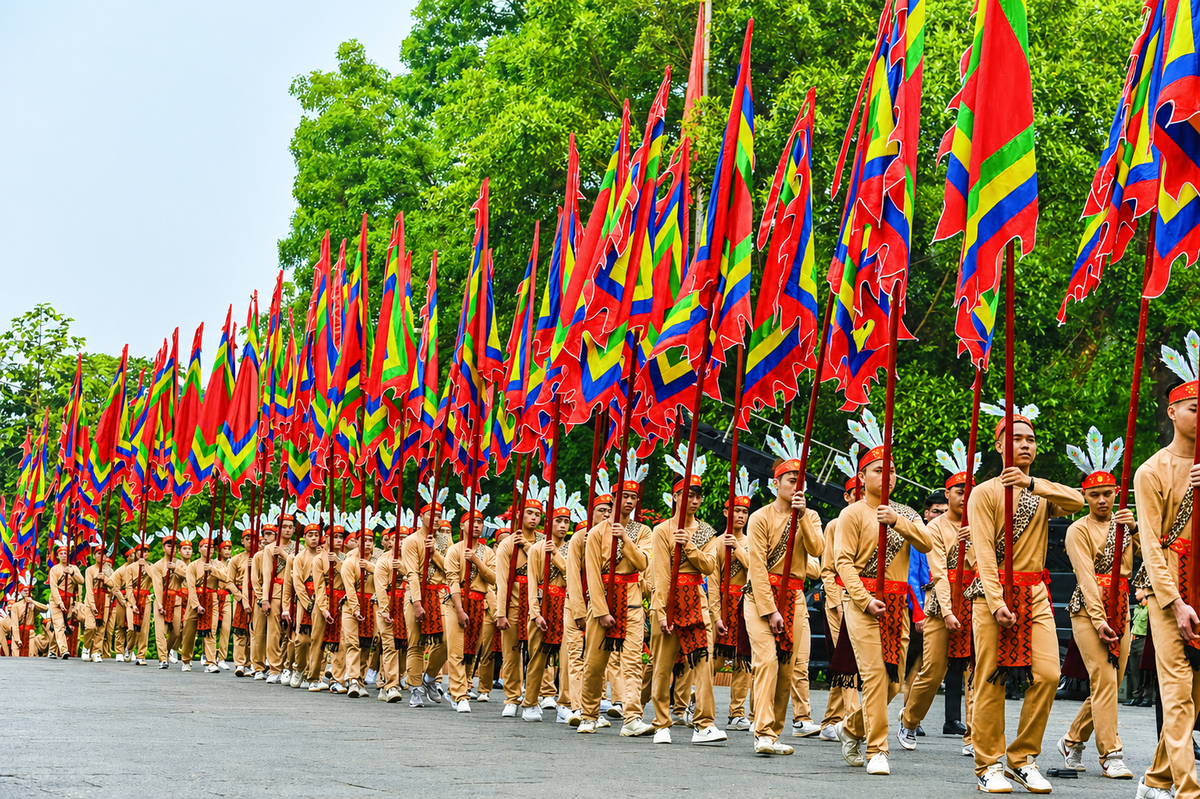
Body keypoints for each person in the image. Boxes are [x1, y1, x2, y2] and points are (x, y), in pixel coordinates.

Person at [967, 400, 1084, 793]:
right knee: (990, 679)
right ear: (999, 446)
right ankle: (987, 764)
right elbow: (983, 551)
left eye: (1031, 439)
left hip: (1034, 591)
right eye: (1016, 438)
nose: (1025, 445)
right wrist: (997, 600)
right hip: (992, 592)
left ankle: (1022, 757)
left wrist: (1032, 484)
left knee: (1050, 673)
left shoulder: (1039, 492)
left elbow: (1078, 501)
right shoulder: (983, 493)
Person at [832, 412, 932, 776]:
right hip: (862, 601)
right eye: (877, 470)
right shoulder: (852, 514)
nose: (885, 476)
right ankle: (878, 748)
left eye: (890, 470)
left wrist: (899, 522)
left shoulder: (903, 512)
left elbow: (928, 542)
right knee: (874, 676)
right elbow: (842, 562)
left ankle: (851, 727)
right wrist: (863, 598)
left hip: (897, 604)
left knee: (892, 683)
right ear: (862, 477)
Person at [1134, 333, 1200, 799]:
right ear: (1173, 412)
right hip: (1169, 585)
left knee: (1192, 695)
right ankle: (1188, 789)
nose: (1199, 414)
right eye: (1192, 406)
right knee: (1176, 690)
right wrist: (1174, 601)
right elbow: (1153, 547)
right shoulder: (1152, 470)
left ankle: (1156, 778)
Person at [1053, 428, 1138, 779]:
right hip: (1089, 608)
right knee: (1102, 678)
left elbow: (1143, 565)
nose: (1102, 501)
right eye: (1094, 495)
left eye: (1107, 494)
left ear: (1117, 493)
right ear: (1084, 497)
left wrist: (1135, 531)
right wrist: (1100, 617)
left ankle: (1072, 740)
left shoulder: (1125, 525)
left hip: (1124, 604)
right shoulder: (1078, 530)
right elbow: (1086, 578)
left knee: (1110, 683)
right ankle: (1112, 754)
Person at [745, 432, 823, 756]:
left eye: (801, 481)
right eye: (791, 480)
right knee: (766, 662)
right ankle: (762, 731)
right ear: (777, 483)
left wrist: (803, 517)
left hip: (794, 598)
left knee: (788, 666)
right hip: (760, 598)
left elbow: (818, 550)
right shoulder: (760, 517)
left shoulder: (811, 516)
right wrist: (770, 609)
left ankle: (773, 732)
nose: (797, 486)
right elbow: (758, 567)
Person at [897, 442, 977, 755]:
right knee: (933, 670)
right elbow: (939, 573)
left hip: (974, 601)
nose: (964, 496)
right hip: (940, 605)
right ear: (948, 494)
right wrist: (947, 611)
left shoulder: (981, 523)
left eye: (969, 490)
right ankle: (910, 719)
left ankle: (974, 735)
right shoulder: (934, 527)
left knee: (976, 671)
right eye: (959, 490)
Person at [648, 449, 727, 746]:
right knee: (663, 665)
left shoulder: (706, 531)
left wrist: (690, 547)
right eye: (688, 494)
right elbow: (660, 573)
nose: (694, 500)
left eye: (698, 495)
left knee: (703, 664)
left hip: (697, 599)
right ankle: (660, 724)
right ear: (676, 496)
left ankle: (704, 724)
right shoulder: (661, 530)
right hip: (669, 601)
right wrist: (662, 611)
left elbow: (709, 566)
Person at [578, 456, 653, 737]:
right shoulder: (595, 533)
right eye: (625, 496)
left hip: (632, 600)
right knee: (595, 663)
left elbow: (644, 563)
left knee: (633, 661)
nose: (630, 502)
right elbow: (592, 574)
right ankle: (588, 714)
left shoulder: (643, 531)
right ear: (614, 497)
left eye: (634, 497)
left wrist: (626, 539)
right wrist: (601, 609)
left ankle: (632, 717)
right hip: (604, 603)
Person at [522, 486, 579, 721]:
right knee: (538, 657)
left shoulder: (572, 548)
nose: (563, 526)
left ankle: (564, 703)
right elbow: (532, 583)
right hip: (543, 605)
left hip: (565, 605)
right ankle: (530, 702)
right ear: (549, 523)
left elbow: (573, 576)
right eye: (558, 521)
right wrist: (535, 613)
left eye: (566, 521)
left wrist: (555, 554)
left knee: (566, 658)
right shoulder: (536, 548)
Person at [818, 460, 863, 741]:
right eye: (854, 491)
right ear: (847, 496)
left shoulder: (873, 520)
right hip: (840, 599)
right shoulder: (836, 524)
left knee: (844, 661)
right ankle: (856, 721)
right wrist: (835, 605)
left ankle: (830, 721)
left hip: (863, 600)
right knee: (849, 661)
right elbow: (827, 570)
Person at [710, 467, 755, 734]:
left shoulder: (750, 542)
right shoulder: (716, 543)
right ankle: (695, 701)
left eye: (744, 512)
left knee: (743, 660)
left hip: (745, 603)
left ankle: (737, 712)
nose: (740, 515)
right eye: (736, 511)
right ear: (727, 512)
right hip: (722, 603)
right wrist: (715, 614)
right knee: (711, 659)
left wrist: (737, 549)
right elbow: (712, 581)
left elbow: (754, 568)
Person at [495, 480, 545, 717]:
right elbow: (502, 579)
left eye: (537, 514)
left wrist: (527, 546)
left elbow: (547, 570)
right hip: (514, 601)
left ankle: (538, 695)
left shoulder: (544, 541)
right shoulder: (506, 544)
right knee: (512, 652)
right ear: (519, 514)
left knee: (539, 651)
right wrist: (501, 612)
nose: (534, 518)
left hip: (538, 603)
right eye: (529, 513)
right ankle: (512, 697)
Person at [443, 495, 497, 713]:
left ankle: (463, 686)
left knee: (470, 652)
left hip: (479, 602)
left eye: (480, 522)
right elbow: (452, 580)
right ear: (462, 525)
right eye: (472, 521)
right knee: (456, 651)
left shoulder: (488, 552)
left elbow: (493, 578)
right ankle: (459, 694)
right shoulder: (454, 550)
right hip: (456, 603)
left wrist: (476, 560)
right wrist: (459, 609)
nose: (476, 525)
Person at [402, 484, 450, 707]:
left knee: (444, 642)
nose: (437, 518)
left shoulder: (444, 541)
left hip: (439, 595)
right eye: (432, 514)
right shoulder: (411, 541)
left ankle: (430, 678)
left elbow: (450, 569)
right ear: (422, 516)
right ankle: (414, 688)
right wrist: (417, 602)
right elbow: (412, 572)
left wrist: (434, 553)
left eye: (440, 515)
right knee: (416, 643)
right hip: (416, 595)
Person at [373, 515, 411, 704]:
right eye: (398, 538)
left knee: (405, 646)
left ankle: (389, 679)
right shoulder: (383, 560)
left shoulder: (413, 559)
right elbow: (380, 587)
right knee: (389, 645)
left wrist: (404, 570)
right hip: (387, 604)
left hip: (407, 604)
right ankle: (391, 685)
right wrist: (385, 609)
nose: (402, 542)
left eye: (405, 538)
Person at [47, 539, 84, 659]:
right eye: (61, 553)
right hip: (56, 600)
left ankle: (52, 649)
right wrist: (59, 602)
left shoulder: (74, 567)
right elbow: (53, 587)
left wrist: (72, 573)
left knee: (60, 625)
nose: (63, 555)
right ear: (58, 555)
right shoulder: (54, 569)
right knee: (59, 625)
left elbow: (81, 581)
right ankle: (64, 650)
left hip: (70, 600)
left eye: (65, 553)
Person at [1124, 589, 1154, 706]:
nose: (1135, 593)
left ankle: (1148, 696)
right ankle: (1137, 695)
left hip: (1145, 640)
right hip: (1135, 640)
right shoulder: (1137, 608)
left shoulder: (1150, 609)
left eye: (1138, 590)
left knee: (1146, 671)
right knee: (1134, 670)